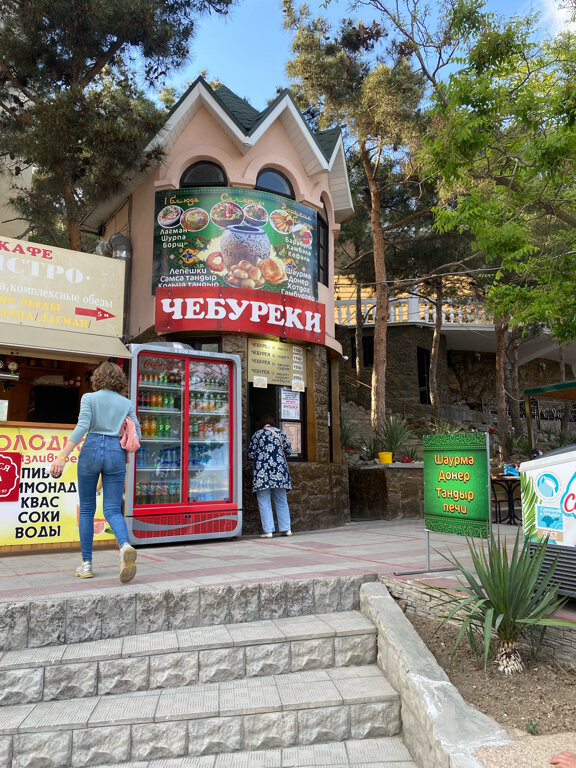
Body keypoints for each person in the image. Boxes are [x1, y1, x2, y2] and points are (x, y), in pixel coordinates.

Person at [50, 361, 141, 583]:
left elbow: (82, 426)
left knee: (87, 509)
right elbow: (136, 432)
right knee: (112, 509)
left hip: (91, 450)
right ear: (119, 380)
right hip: (115, 452)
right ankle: (125, 546)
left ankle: (87, 565)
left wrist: (62, 456)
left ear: (97, 378)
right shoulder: (126, 403)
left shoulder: (88, 398)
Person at [247, 415, 292, 538]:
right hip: (279, 471)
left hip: (262, 472)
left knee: (264, 501)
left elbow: (250, 453)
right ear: (273, 423)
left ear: (261, 423)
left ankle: (268, 531)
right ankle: (286, 529)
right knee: (282, 500)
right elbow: (288, 450)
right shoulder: (281, 433)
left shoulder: (257, 434)